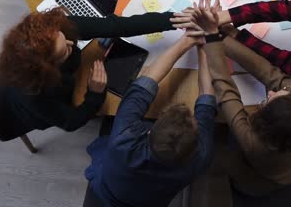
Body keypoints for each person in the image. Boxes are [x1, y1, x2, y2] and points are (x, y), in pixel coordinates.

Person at [176, 0, 291, 196]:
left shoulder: (255, 144)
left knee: (219, 162)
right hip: (286, 156)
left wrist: (210, 37)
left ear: (262, 123)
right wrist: (218, 36)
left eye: (267, 100)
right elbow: (267, 72)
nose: (270, 91)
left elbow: (226, 91)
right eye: (281, 92)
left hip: (261, 178)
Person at [84, 30, 217, 207]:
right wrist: (204, 47)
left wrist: (186, 41)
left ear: (150, 130)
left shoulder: (124, 139)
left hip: (107, 194)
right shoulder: (201, 158)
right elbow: (207, 100)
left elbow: (145, 85)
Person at [0, 8, 177, 132]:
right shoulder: (35, 95)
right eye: (65, 51)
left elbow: (117, 25)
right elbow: (71, 122)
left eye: (65, 38)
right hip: (43, 112)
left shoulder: (58, 30)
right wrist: (95, 94)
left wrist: (173, 19)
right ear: (50, 68)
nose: (71, 43)